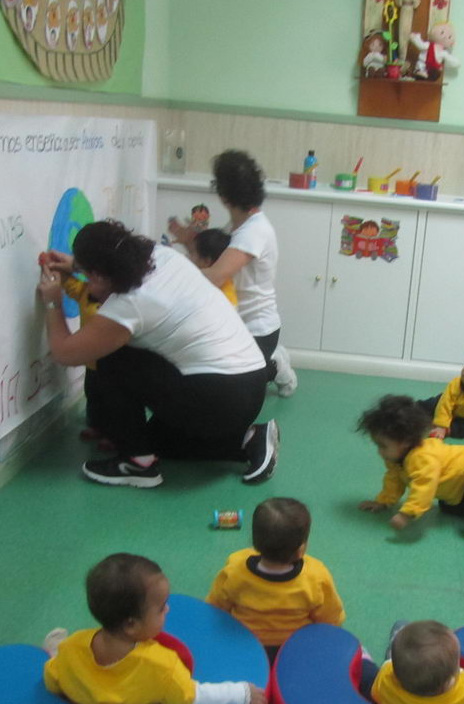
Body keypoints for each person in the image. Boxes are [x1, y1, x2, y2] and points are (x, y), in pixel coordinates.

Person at [38, 220, 278, 487]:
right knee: (153, 439)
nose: (88, 285)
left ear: (101, 273)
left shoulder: (129, 304)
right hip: (252, 382)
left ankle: (138, 465)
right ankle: (248, 439)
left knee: (110, 355)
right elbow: (112, 269)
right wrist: (76, 265)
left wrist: (53, 301)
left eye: (88, 275)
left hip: (220, 397)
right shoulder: (161, 255)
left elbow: (66, 353)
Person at [42, 553, 267, 704]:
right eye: (161, 609)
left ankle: (52, 650)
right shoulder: (161, 666)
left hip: (87, 692)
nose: (167, 609)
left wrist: (57, 660)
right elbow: (193, 698)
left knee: (58, 657)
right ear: (131, 625)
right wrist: (243, 694)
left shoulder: (73, 646)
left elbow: (52, 679)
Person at [170, 150, 298, 397]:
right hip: (234, 321)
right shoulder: (237, 226)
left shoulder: (253, 232)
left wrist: (172, 270)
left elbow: (215, 275)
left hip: (256, 328)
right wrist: (190, 243)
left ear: (223, 196)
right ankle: (267, 363)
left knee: (237, 388)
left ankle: (276, 365)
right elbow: (212, 262)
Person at [357, 395, 464, 545]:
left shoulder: (422, 458)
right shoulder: (397, 459)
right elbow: (394, 480)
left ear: (405, 442)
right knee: (448, 507)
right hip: (458, 485)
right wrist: (383, 501)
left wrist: (406, 514)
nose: (379, 452)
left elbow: (424, 487)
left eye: (383, 446)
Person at [207, 497, 345, 662]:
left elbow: (215, 609)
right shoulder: (316, 576)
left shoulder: (234, 568)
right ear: (301, 549)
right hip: (295, 649)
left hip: (245, 645)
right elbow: (330, 619)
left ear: (255, 541)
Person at [357, 620, 464, 704]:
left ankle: (365, 657)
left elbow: (376, 692)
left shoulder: (385, 680)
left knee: (366, 672)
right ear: (449, 681)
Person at [56, 265, 115, 451]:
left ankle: (114, 433)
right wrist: (55, 268)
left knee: (113, 401)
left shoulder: (120, 301)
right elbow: (68, 282)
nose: (91, 283)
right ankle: (97, 426)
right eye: (90, 278)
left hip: (114, 365)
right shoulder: (84, 292)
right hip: (91, 362)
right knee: (93, 394)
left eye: (99, 280)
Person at [194, 227, 237, 306]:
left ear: (206, 261)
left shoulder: (208, 293)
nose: (188, 257)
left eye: (192, 253)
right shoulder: (228, 284)